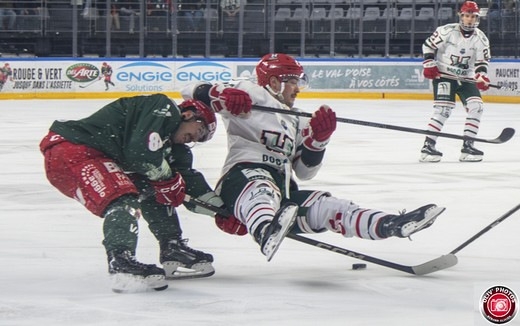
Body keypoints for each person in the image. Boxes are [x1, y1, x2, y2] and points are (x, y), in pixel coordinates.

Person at [181, 53, 446, 261]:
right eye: (294, 81)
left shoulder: (296, 120)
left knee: (329, 206)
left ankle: (391, 225)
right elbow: (189, 90)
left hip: (282, 194)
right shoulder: (250, 91)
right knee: (261, 188)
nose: (298, 88)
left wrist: (319, 141)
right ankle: (264, 231)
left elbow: (304, 172)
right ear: (275, 81)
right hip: (241, 181)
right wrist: (219, 95)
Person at [39, 94, 251, 292]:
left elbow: (188, 187)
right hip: (73, 149)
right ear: (188, 115)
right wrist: (168, 179)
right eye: (201, 130)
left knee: (156, 189)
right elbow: (141, 154)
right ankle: (121, 261)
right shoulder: (163, 107)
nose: (195, 138)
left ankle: (172, 247)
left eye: (201, 139)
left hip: (95, 156)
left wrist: (223, 213)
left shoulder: (174, 150)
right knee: (124, 199)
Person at [420, 1, 491, 163]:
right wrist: (429, 63)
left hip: (466, 78)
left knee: (477, 107)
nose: (470, 20)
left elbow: (482, 63)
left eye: (473, 16)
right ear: (461, 16)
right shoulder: (446, 31)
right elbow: (428, 46)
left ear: (477, 18)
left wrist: (482, 76)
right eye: (467, 16)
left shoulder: (481, 38)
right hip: (444, 76)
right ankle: (428, 146)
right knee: (443, 110)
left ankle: (468, 146)